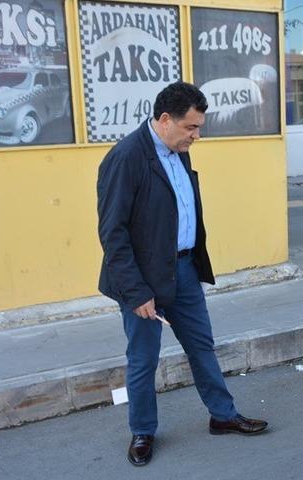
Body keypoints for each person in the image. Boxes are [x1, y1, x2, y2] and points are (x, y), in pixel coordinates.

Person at [97, 81, 268, 467]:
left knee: (201, 345)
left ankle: (222, 415)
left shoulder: (178, 150)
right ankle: (142, 431)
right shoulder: (126, 158)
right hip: (143, 282)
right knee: (143, 359)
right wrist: (136, 291)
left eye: (199, 127)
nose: (197, 135)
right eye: (191, 127)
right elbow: (113, 233)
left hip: (184, 269)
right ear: (164, 120)